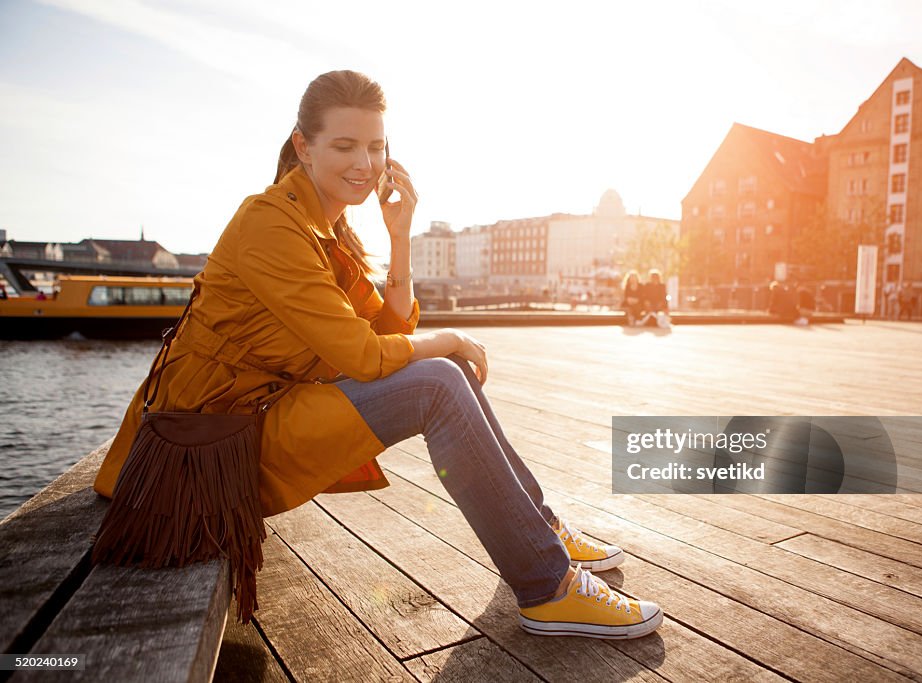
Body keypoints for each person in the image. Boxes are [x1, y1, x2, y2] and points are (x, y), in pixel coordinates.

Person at [92, 70, 661, 640]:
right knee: (439, 378)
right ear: (303, 146)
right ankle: (548, 588)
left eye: (375, 145)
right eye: (344, 145)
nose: (364, 163)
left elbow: (387, 329)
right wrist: (453, 338)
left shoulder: (328, 229)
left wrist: (399, 235)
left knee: (444, 372)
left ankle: (541, 531)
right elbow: (366, 356)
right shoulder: (270, 224)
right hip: (199, 450)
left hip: (251, 420)